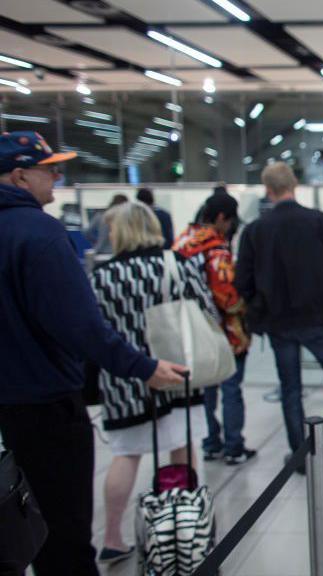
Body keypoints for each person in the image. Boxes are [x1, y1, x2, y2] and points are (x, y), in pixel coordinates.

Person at [0, 131, 185, 576]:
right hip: (48, 406)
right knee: (64, 536)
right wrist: (141, 367)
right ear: (21, 176)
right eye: (49, 169)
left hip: (9, 407)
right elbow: (80, 326)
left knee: (19, 529)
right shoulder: (41, 233)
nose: (58, 176)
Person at [91, 201, 213, 564]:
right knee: (181, 446)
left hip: (124, 379)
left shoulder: (101, 276)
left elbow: (92, 330)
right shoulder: (175, 264)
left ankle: (112, 536)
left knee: (125, 455)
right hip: (175, 372)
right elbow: (203, 309)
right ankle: (183, 528)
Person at [235, 163, 323, 470]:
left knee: (291, 389)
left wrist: (261, 305)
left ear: (268, 190)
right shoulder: (321, 223)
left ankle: (301, 456)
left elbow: (242, 280)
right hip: (318, 319)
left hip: (278, 323)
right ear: (295, 184)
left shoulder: (255, 230)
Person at [174, 193, 256, 465]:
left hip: (192, 331)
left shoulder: (183, 241)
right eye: (230, 222)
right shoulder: (216, 249)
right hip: (224, 333)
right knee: (231, 387)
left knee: (206, 390)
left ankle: (211, 442)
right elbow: (228, 297)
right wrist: (248, 306)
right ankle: (234, 446)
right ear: (222, 218)